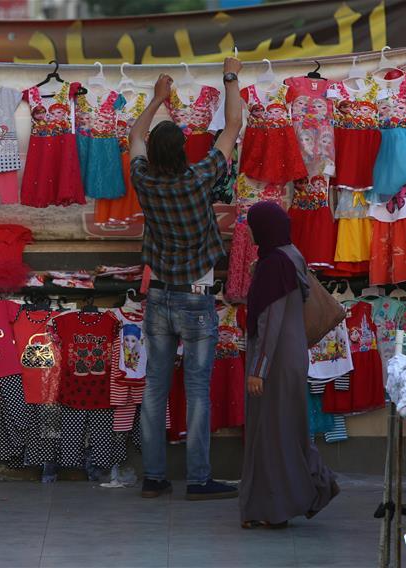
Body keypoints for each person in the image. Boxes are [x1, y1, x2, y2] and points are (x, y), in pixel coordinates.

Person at [128, 57, 242, 500]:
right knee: (197, 390)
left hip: (158, 298)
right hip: (196, 300)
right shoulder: (199, 177)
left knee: (154, 389)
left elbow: (135, 135)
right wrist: (230, 76)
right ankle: (198, 479)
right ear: (184, 152)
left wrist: (159, 97)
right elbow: (232, 126)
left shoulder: (143, 179)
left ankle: (154, 478)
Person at [240, 201, 339, 529]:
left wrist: (259, 369)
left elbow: (271, 322)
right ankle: (273, 504)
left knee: (272, 434)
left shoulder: (275, 265)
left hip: (275, 364)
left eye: (254, 225)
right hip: (289, 360)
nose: (251, 231)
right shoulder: (289, 256)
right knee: (282, 431)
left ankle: (283, 504)